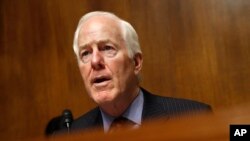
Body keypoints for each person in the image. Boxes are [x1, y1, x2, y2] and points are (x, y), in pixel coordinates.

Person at [66, 11, 211, 133]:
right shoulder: (71, 135)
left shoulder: (193, 118)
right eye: (85, 53)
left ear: (136, 62)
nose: (95, 61)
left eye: (107, 48)